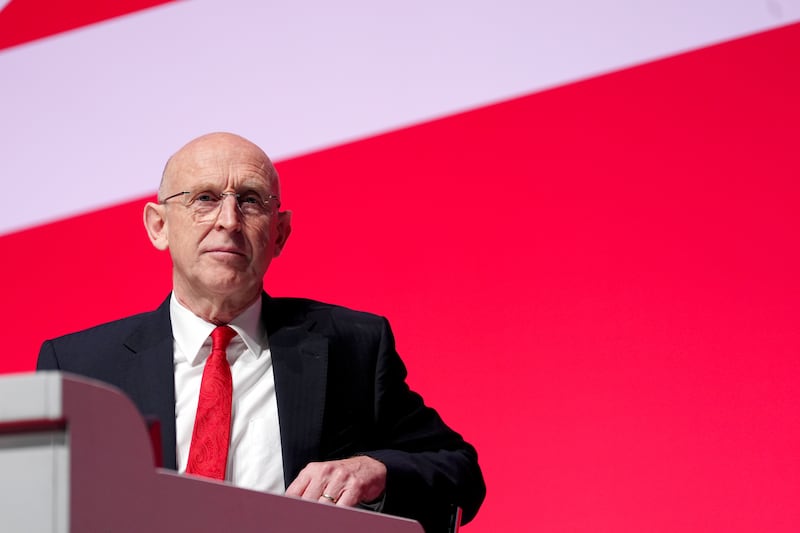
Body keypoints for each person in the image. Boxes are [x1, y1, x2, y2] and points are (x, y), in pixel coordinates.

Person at [37, 132, 485, 532]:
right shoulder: (80, 368)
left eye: (250, 201)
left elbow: (459, 472)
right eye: (204, 199)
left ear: (280, 233)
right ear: (158, 226)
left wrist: (374, 471)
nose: (229, 221)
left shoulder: (351, 346)